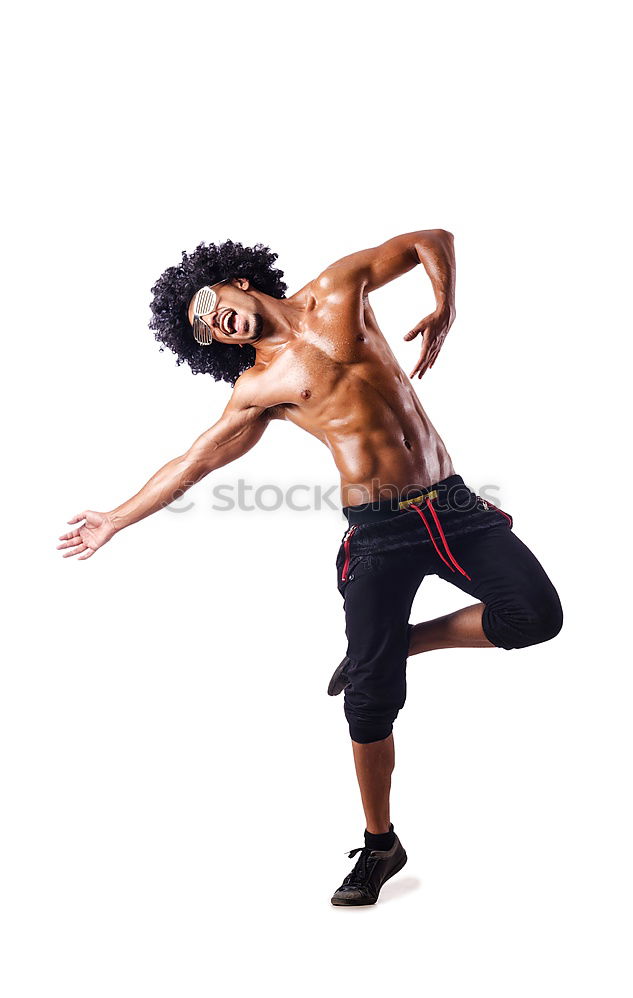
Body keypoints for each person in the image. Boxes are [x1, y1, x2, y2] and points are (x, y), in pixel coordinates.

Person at [57, 232, 563, 906]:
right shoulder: (260, 386)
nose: (215, 322)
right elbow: (194, 461)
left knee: (535, 616)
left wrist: (444, 303)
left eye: (210, 303)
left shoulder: (340, 287)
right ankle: (381, 844)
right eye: (204, 331)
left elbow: (428, 239)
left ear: (234, 279)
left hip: (454, 504)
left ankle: (395, 647)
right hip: (379, 533)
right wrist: (115, 519)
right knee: (371, 702)